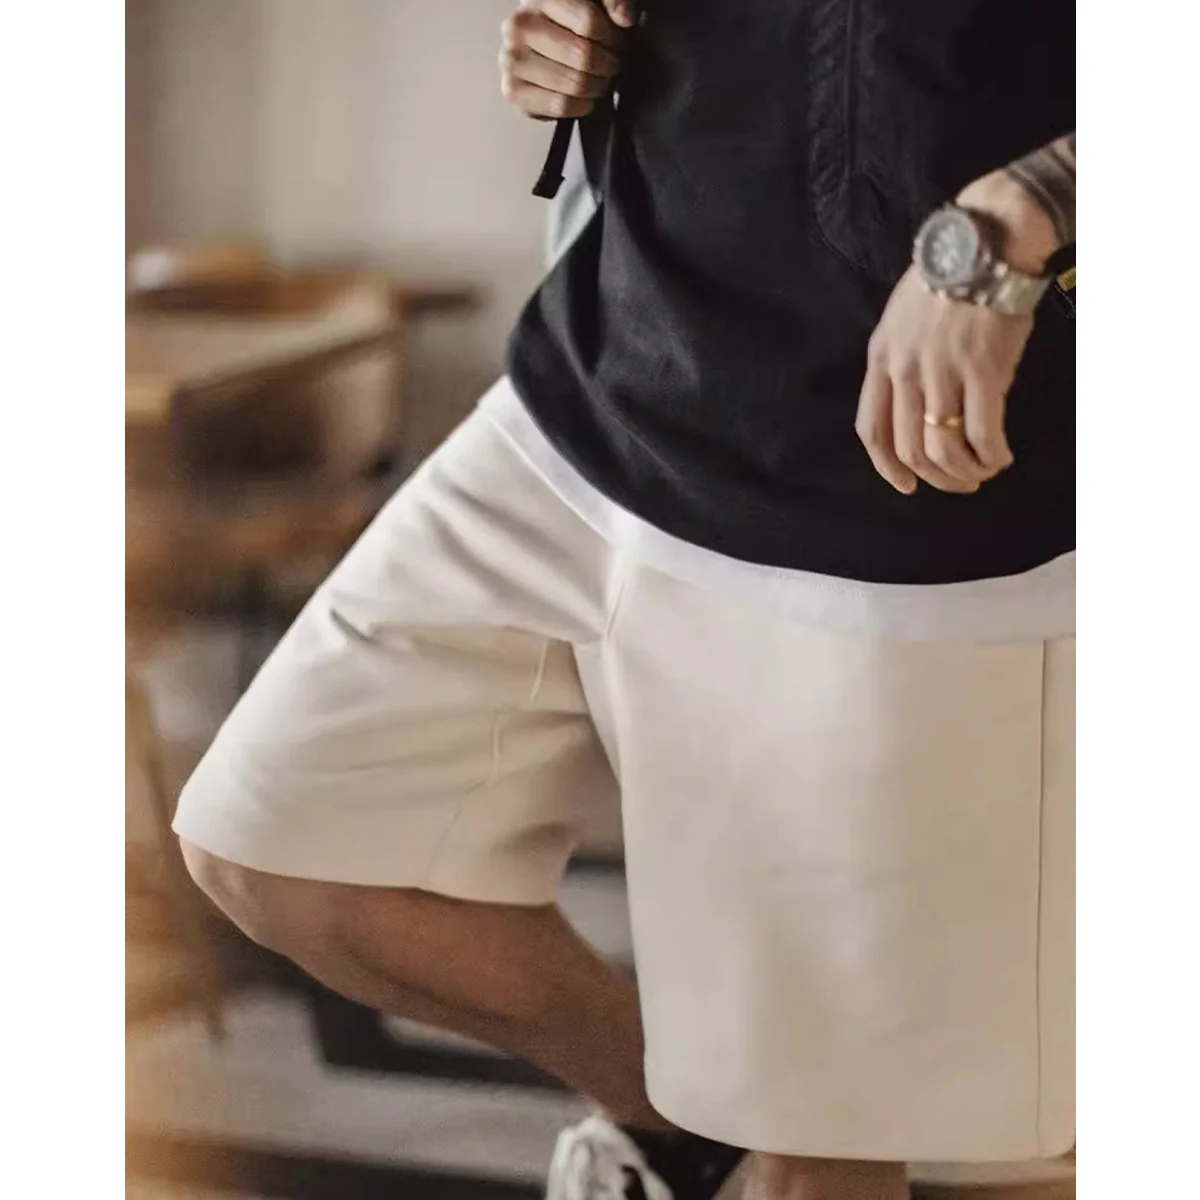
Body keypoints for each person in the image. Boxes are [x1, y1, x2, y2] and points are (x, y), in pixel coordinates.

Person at [174, 2, 1076, 1198]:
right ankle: (693, 1140)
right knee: (272, 843)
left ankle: (753, 1140)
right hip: (603, 382)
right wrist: (561, 31)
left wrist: (1017, 219)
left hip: (891, 490)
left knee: (824, 1152)